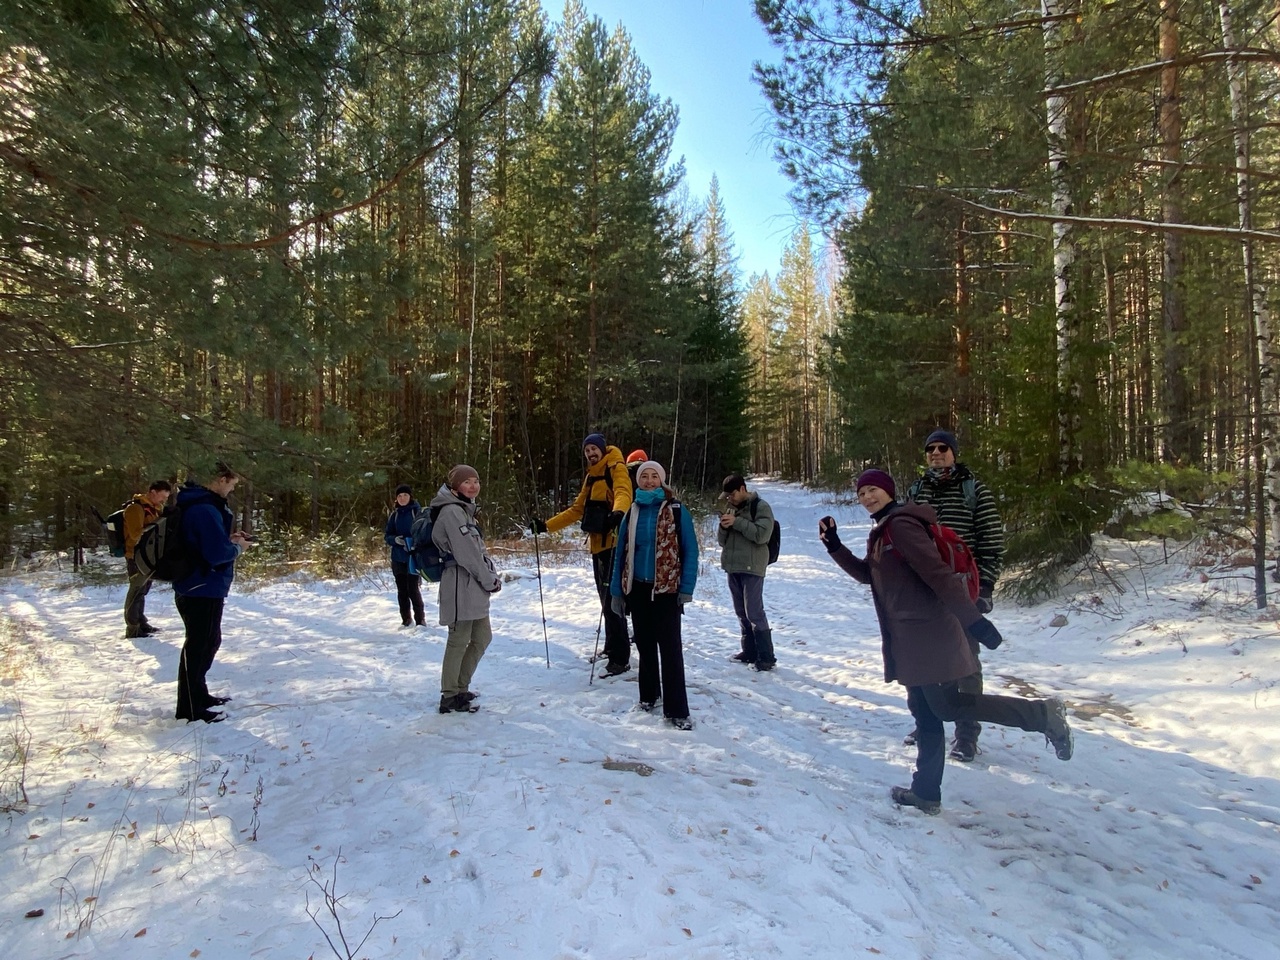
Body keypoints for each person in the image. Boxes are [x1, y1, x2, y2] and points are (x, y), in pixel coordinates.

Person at [818, 468, 1072, 816]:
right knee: (925, 715)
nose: (867, 498)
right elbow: (869, 575)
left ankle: (1043, 715)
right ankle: (925, 793)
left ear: (889, 491)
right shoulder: (883, 531)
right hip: (910, 640)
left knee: (948, 706)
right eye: (861, 493)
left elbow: (939, 575)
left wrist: (974, 621)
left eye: (873, 490)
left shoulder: (901, 526)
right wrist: (835, 547)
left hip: (929, 637)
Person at [904, 428, 1005, 762]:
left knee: (966, 664)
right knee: (922, 661)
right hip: (923, 591)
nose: (936, 453)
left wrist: (985, 587)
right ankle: (927, 722)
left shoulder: (974, 491)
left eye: (942, 448)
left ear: (954, 452)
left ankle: (966, 736)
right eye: (930, 448)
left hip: (962, 592)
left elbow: (992, 542)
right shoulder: (916, 491)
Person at [530, 433, 634, 675]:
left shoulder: (615, 467)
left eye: (593, 449)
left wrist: (618, 513)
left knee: (613, 601)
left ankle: (620, 659)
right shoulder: (591, 476)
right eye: (587, 451)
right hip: (598, 547)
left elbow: (623, 492)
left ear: (602, 448)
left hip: (614, 545)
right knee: (605, 601)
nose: (590, 454)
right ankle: (611, 647)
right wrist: (546, 526)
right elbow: (577, 510)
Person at [609, 460, 698, 730]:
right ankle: (648, 696)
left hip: (667, 590)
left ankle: (677, 710)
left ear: (662, 480)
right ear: (638, 481)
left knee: (670, 649)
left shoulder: (676, 510)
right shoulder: (631, 512)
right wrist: (616, 591)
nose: (648, 481)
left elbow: (690, 550)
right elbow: (621, 554)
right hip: (638, 587)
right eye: (644, 476)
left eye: (653, 476)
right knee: (645, 646)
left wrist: (686, 588)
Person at [173, 463, 253, 723]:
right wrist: (238, 548)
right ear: (220, 480)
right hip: (201, 585)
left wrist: (228, 540)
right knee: (199, 645)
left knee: (207, 641)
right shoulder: (205, 508)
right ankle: (190, 708)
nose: (232, 488)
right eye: (231, 483)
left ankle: (199, 695)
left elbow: (206, 545)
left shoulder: (201, 505)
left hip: (202, 584)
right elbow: (216, 555)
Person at [430, 465, 502, 715]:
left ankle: (460, 687)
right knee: (459, 639)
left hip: (474, 586)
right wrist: (488, 579)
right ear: (454, 487)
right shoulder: (452, 512)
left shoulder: (465, 510)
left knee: (482, 637)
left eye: (476, 481)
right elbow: (467, 555)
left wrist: (489, 576)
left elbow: (476, 551)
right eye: (467, 482)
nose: (473, 486)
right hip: (461, 584)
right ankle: (449, 695)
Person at [717, 473, 776, 670]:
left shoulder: (761, 506)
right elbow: (721, 541)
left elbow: (762, 535)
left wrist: (737, 523)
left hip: (753, 567)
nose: (729, 498)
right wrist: (724, 526)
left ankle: (766, 657)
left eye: (732, 494)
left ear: (742, 489)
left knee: (754, 611)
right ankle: (749, 651)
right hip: (733, 566)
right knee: (741, 611)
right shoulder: (730, 508)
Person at [122, 480, 172, 638]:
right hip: (135, 556)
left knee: (143, 591)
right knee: (136, 591)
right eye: (162, 496)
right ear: (153, 492)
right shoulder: (135, 508)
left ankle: (141, 622)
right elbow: (135, 533)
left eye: (166, 498)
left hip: (149, 557)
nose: (163, 500)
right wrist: (155, 526)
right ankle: (133, 627)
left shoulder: (157, 508)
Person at [384, 483, 426, 628]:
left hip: (413, 558)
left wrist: (414, 542)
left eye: (405, 495)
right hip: (397, 558)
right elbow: (387, 535)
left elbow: (424, 532)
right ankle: (406, 620)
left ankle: (420, 620)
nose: (402, 498)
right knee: (402, 591)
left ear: (410, 496)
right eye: (400, 496)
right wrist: (395, 540)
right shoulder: (394, 515)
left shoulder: (417, 512)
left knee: (413, 589)